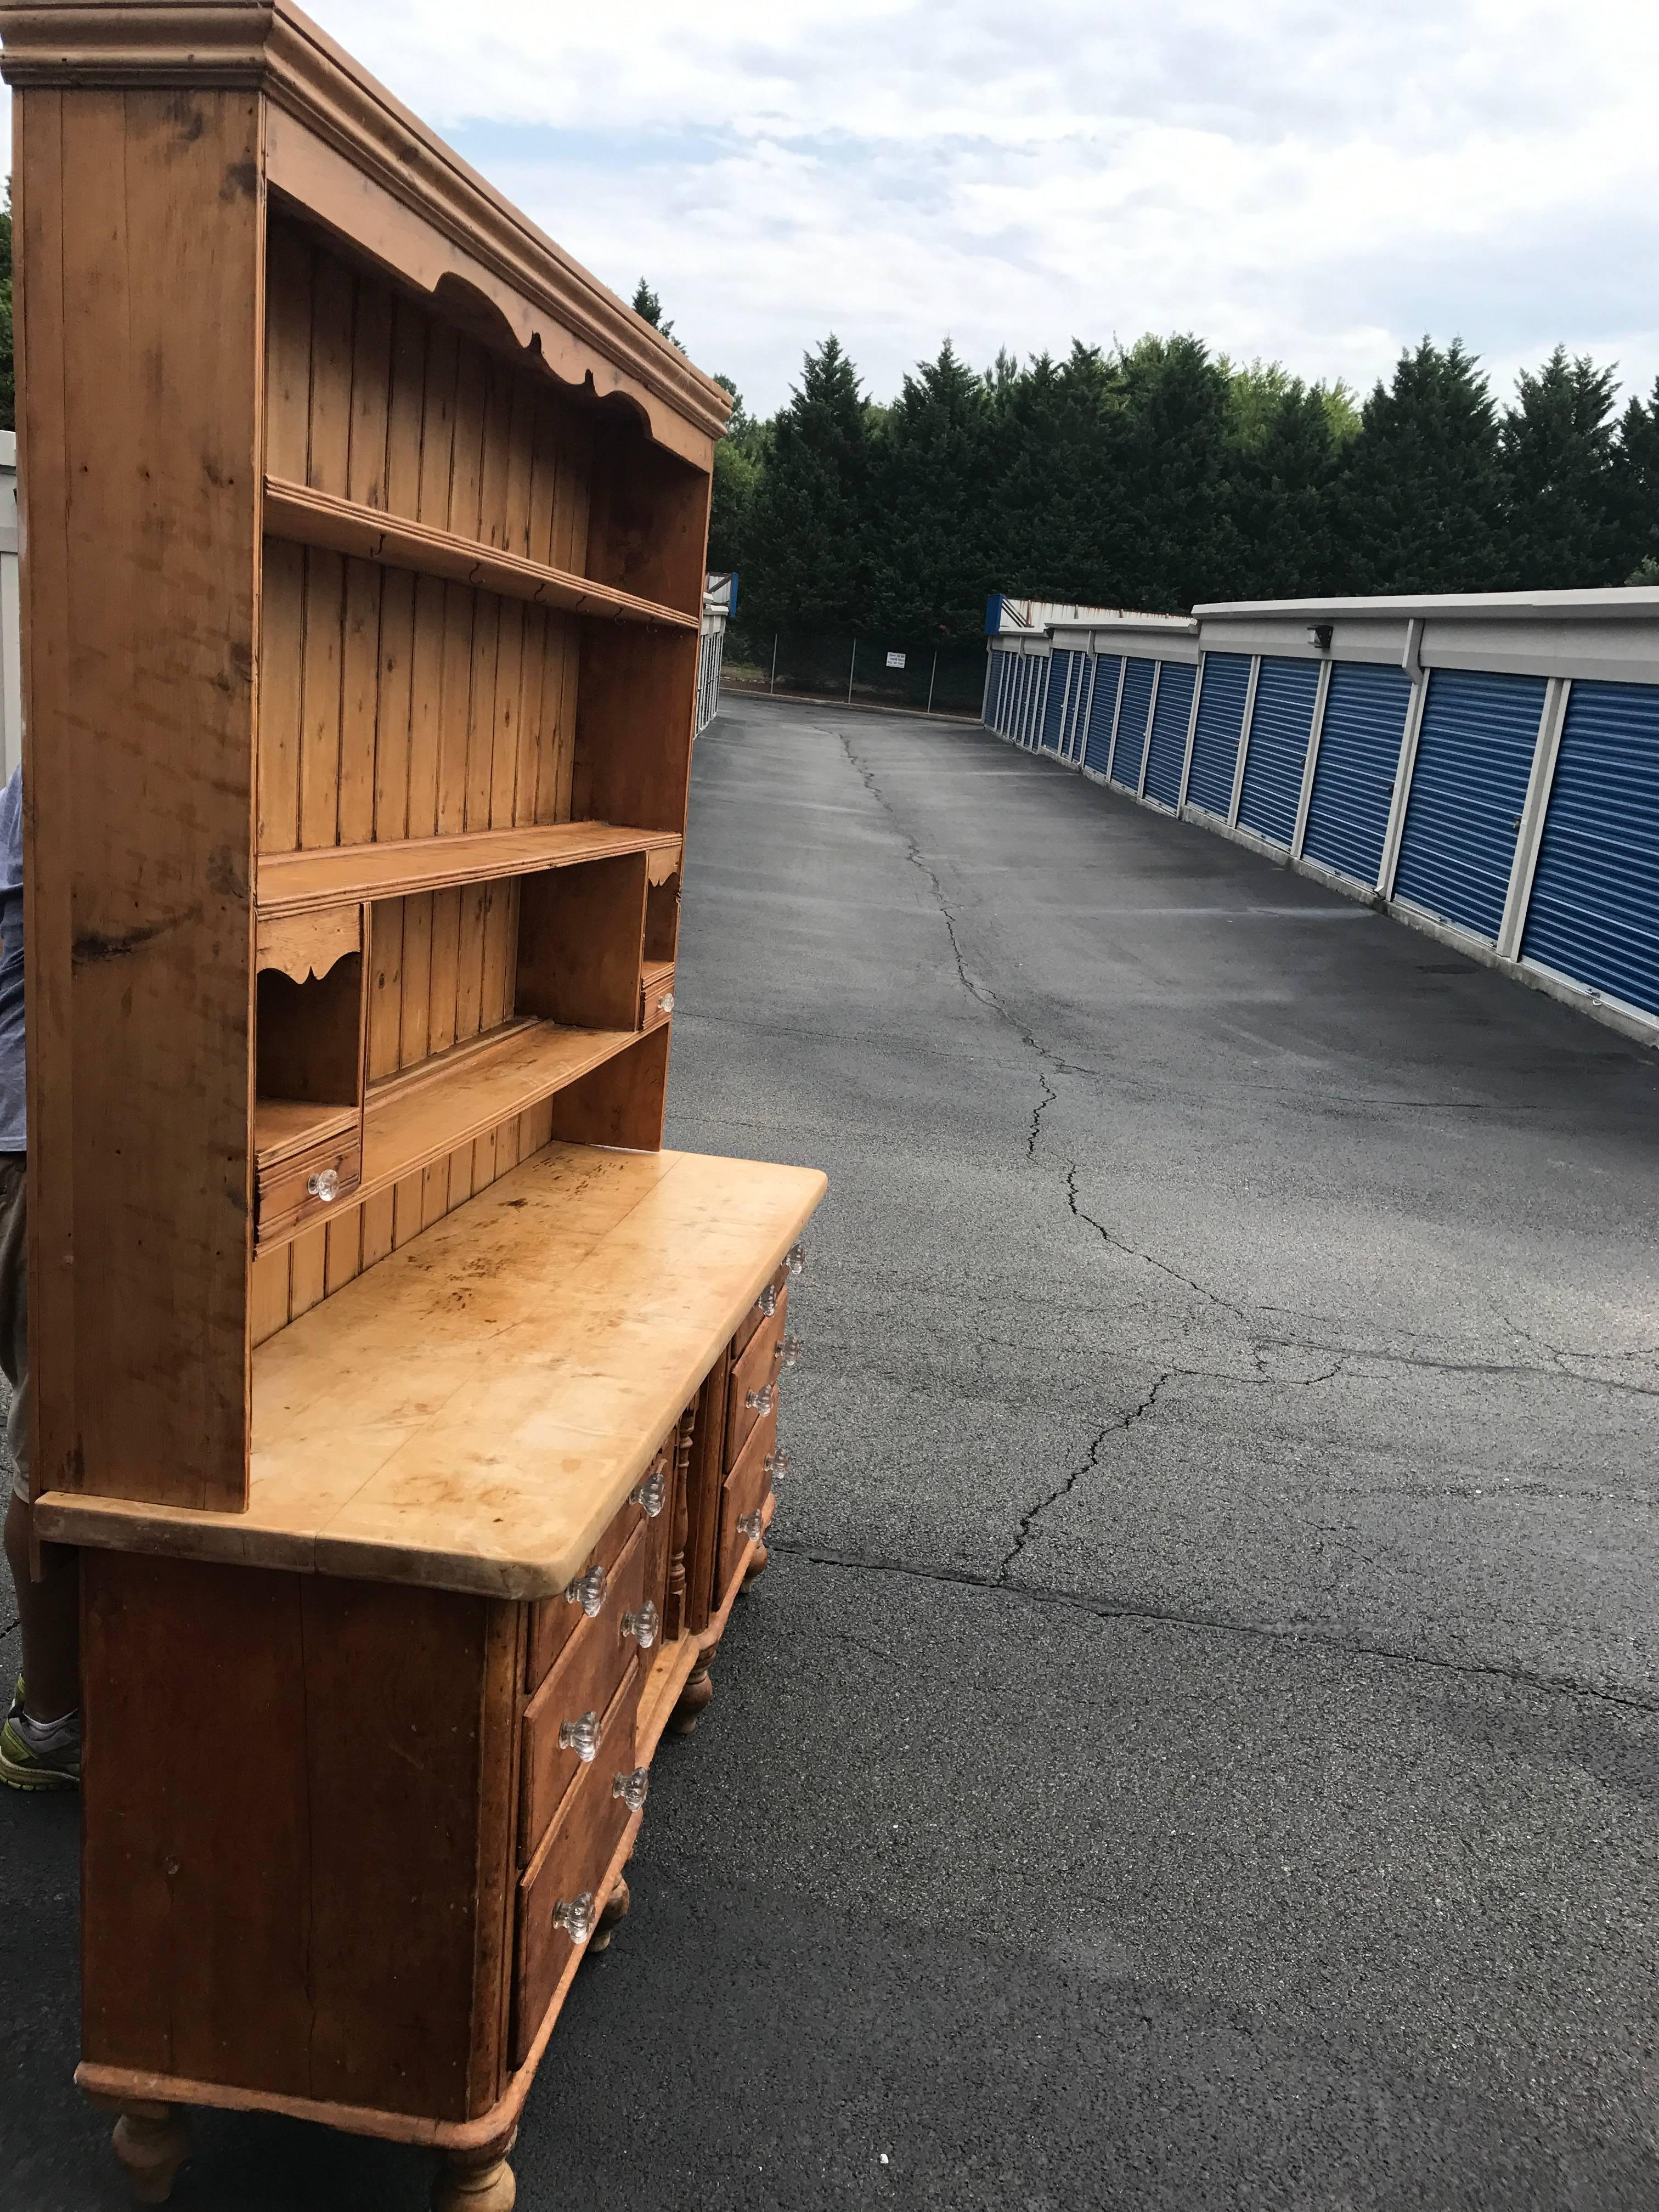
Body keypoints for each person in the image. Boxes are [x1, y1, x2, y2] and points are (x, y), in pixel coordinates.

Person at [0, 765, 79, 1787]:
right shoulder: (89, 757)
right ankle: (49, 1722)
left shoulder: (55, 749)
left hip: (17, 1140)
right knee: (60, 1457)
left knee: (49, 1436)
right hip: (34, 1154)